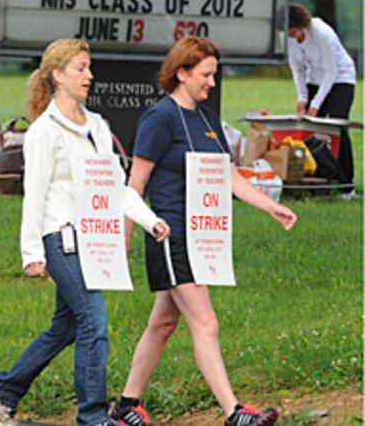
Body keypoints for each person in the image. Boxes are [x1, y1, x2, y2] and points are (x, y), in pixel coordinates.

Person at [0, 39, 170, 426]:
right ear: (57, 75)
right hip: (60, 240)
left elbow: (116, 187)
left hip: (94, 242)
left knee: (65, 327)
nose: (90, 75)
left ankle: (7, 387)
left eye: (89, 67)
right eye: (81, 68)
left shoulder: (98, 126)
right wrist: (31, 253)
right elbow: (34, 197)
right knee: (94, 323)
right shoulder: (43, 132)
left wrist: (151, 221)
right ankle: (92, 416)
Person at [111, 37, 298, 426]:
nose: (211, 82)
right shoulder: (158, 119)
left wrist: (270, 206)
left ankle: (127, 405)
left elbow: (227, 176)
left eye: (214, 74)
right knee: (206, 322)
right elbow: (135, 183)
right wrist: (125, 234)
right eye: (205, 75)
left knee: (163, 323)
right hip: (169, 234)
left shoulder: (209, 120)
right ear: (181, 73)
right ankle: (233, 413)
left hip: (202, 237)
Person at [287, 2, 357, 193]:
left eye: (293, 31)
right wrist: (303, 98)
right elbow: (298, 70)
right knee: (307, 126)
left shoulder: (322, 34)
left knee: (338, 126)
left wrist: (316, 104)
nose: (291, 36)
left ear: (301, 25)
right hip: (315, 79)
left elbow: (331, 72)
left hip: (341, 77)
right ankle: (317, 177)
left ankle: (346, 185)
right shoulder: (289, 40)